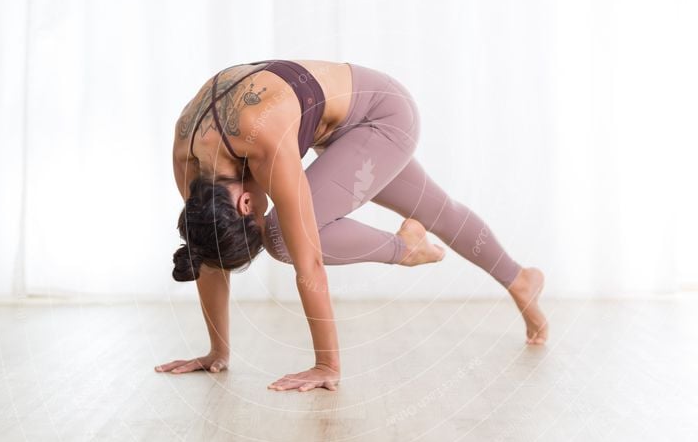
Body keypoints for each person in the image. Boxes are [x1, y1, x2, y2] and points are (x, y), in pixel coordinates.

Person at [155, 59, 548, 392]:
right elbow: (207, 248)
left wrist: (327, 366)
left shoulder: (263, 143)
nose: (262, 206)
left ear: (244, 203)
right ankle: (520, 279)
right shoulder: (188, 161)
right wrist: (217, 352)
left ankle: (405, 248)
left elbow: (308, 260)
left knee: (282, 239)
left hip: (382, 115)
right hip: (343, 124)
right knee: (439, 211)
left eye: (254, 214)